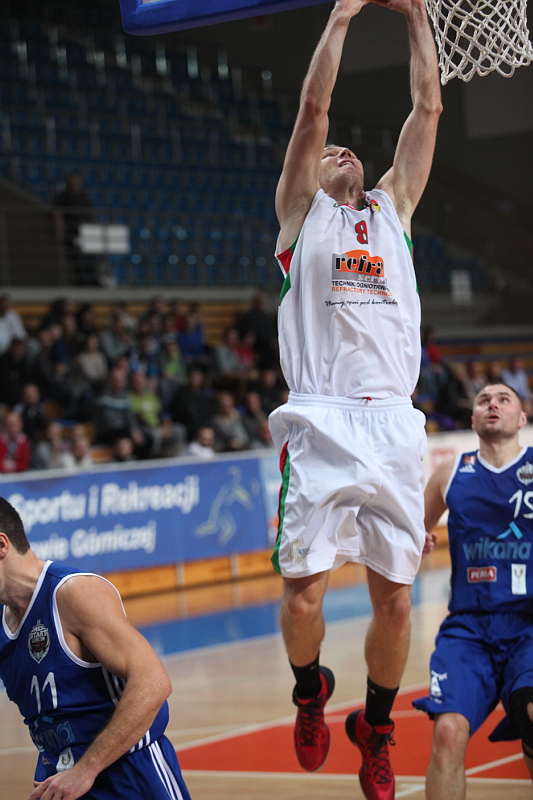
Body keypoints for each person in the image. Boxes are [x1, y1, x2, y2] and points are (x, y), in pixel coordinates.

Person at [268, 1, 442, 797]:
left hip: (393, 423)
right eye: (329, 151)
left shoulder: (393, 209)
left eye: (349, 150)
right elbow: (313, 107)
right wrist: (340, 16)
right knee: (303, 599)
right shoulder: (300, 215)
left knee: (396, 603)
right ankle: (310, 693)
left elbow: (427, 106)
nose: (340, 150)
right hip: (322, 418)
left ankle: (375, 725)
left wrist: (413, 15)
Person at [0, 496, 191, 800]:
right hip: (61, 779)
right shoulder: (3, 620)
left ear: (2, 544)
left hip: (128, 774)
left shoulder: (74, 593)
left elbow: (154, 683)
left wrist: (85, 770)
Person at [413, 382, 533, 799]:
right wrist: (416, 541)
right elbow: (411, 534)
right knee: (447, 731)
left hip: (528, 624)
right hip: (469, 627)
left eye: (504, 399)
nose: (492, 404)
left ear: (522, 418)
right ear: (473, 419)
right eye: (484, 400)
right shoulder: (451, 473)